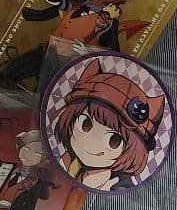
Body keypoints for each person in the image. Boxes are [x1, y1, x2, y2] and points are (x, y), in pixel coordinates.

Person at [52, 58, 164, 191]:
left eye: (113, 140)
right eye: (85, 124)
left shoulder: (119, 186)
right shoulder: (62, 160)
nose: (93, 142)